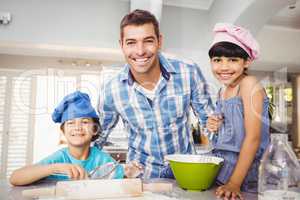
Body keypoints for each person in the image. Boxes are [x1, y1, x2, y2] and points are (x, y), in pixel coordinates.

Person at [96, 9, 214, 179]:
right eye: (131, 42)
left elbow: (210, 123)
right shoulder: (111, 90)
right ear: (121, 45)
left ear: (159, 41)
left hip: (184, 175)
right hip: (140, 180)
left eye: (148, 41)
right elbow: (97, 137)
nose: (140, 51)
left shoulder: (188, 72)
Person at [10, 91, 137, 186]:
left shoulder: (101, 159)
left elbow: (122, 177)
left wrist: (129, 172)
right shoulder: (59, 159)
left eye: (85, 122)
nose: (78, 127)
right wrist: (54, 168)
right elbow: (15, 178)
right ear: (63, 131)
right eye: (70, 123)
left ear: (95, 130)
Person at [206, 23, 270, 199]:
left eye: (232, 60)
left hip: (245, 175)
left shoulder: (249, 84)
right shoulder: (222, 90)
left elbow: (253, 138)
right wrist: (214, 124)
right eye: (217, 60)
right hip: (223, 170)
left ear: (246, 61)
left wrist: (234, 183)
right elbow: (229, 129)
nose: (224, 67)